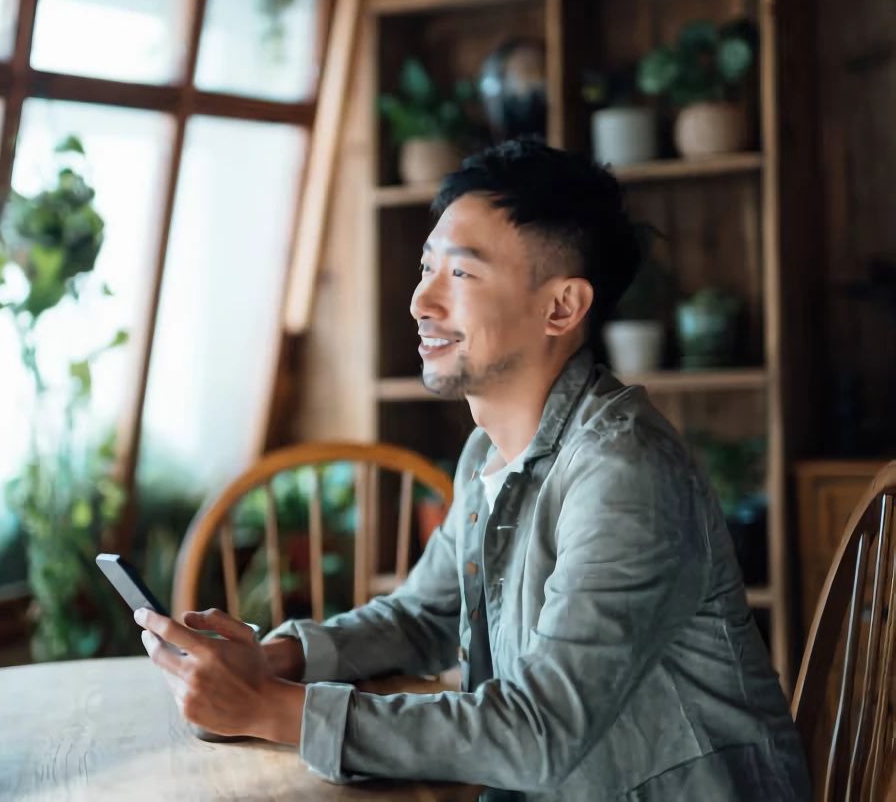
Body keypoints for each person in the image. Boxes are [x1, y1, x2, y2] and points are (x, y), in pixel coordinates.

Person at [134, 138, 811, 801]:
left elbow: (537, 732)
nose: (421, 302)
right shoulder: (488, 453)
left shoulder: (623, 472)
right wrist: (274, 661)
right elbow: (422, 617)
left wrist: (267, 708)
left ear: (562, 307)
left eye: (460, 274)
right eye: (427, 268)